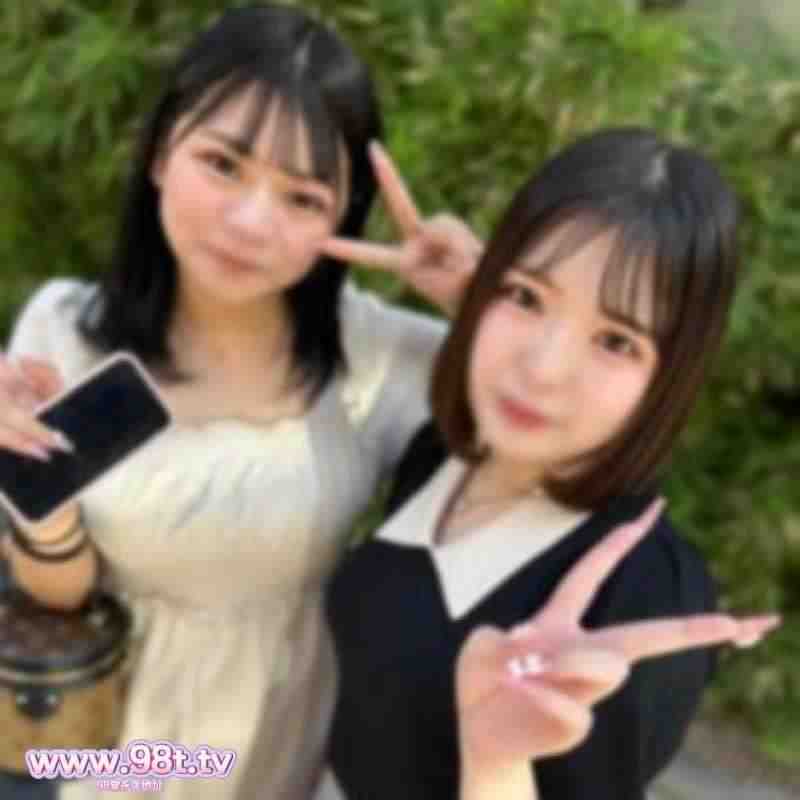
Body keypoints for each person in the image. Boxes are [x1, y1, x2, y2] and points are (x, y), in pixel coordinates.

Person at [0, 5, 480, 799]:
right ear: (162, 152)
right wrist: (32, 483)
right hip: (100, 755)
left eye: (302, 198)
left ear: (342, 218)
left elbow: (557, 438)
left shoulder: (374, 354)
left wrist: (478, 300)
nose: (250, 222)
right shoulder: (67, 332)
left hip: (284, 750)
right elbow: (57, 595)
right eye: (223, 164)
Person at [318, 127, 782, 800]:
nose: (542, 368)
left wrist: (496, 766)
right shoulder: (449, 454)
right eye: (526, 296)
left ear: (671, 378)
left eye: (616, 341)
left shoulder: (640, 595)